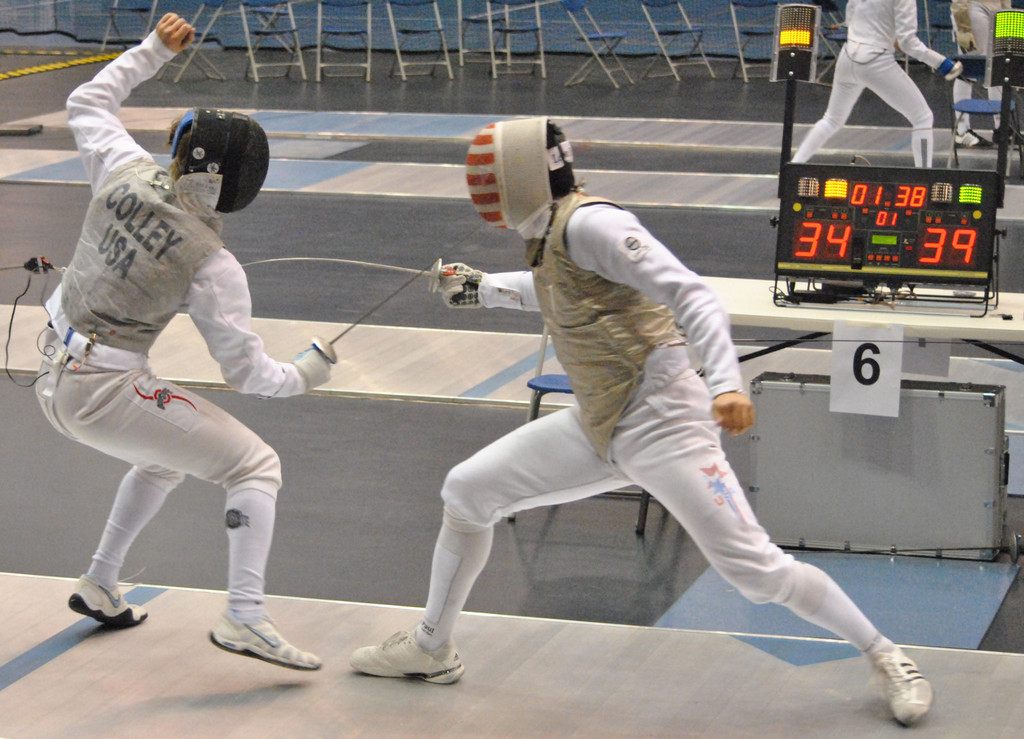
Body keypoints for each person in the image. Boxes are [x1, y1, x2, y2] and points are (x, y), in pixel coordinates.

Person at [349, 118, 934, 726]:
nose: (479, 188)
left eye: (486, 176)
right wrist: (485, 288)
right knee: (468, 491)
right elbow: (560, 289)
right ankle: (430, 647)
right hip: (601, 421)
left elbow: (694, 295)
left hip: (665, 422)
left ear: (516, 176)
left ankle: (888, 655)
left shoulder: (592, 223)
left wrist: (728, 382)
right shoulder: (550, 230)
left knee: (756, 573)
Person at [34, 13, 334, 670]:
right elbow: (250, 374)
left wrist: (152, 50)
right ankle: (245, 617)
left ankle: (102, 580)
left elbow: (86, 101)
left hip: (48, 374)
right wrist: (305, 373)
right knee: (256, 465)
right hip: (101, 393)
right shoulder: (212, 262)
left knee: (169, 453)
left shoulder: (122, 166)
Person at [792, 0, 964, 167]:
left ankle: (792, 167)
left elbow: (852, 18)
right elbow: (908, 43)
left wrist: (886, 35)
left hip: (848, 56)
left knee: (831, 120)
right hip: (875, 60)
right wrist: (942, 64)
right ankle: (925, 179)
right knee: (922, 117)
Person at [950, 0, 1010, 147]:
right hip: (970, 8)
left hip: (999, 9)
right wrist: (963, 25)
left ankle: (1002, 128)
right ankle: (962, 131)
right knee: (969, 68)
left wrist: (1008, 14)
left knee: (999, 67)